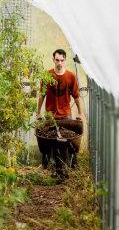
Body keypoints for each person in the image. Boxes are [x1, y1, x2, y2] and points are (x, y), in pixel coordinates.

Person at [36, 49, 84, 177]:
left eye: (62, 60)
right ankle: (46, 165)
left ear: (65, 60)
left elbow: (76, 96)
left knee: (67, 141)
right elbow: (42, 95)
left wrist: (80, 113)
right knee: (46, 140)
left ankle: (72, 165)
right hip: (50, 115)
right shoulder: (47, 76)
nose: (59, 63)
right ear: (53, 60)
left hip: (65, 115)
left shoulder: (71, 76)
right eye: (57, 60)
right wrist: (38, 113)